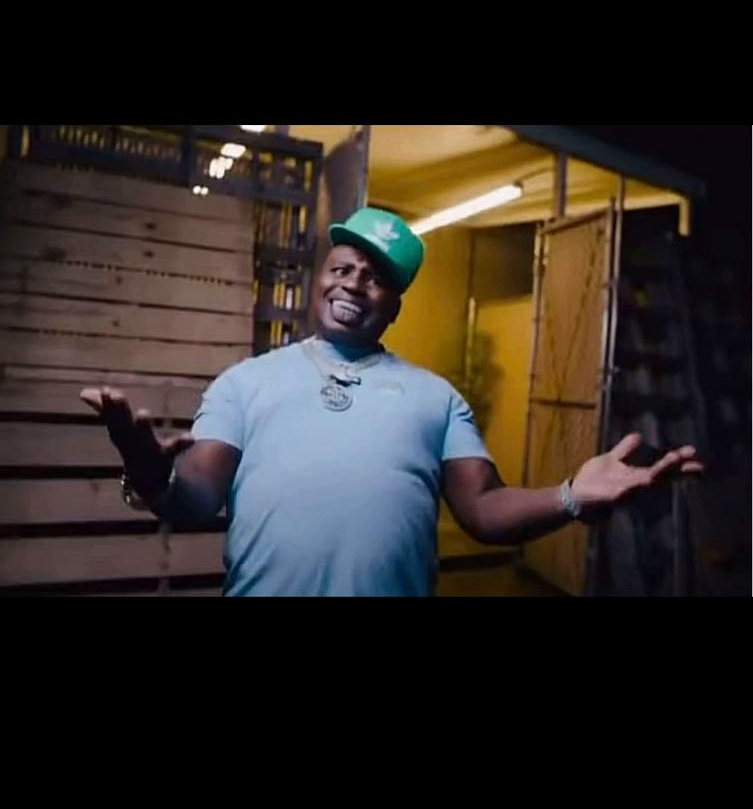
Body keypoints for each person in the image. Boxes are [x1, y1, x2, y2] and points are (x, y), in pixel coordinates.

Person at [81, 207, 703, 597]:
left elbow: (483, 510)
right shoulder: (244, 382)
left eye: (375, 277)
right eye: (342, 268)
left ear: (394, 306)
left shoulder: (437, 398)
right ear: (320, 281)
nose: (354, 282)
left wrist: (570, 496)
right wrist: (147, 470)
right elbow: (195, 498)